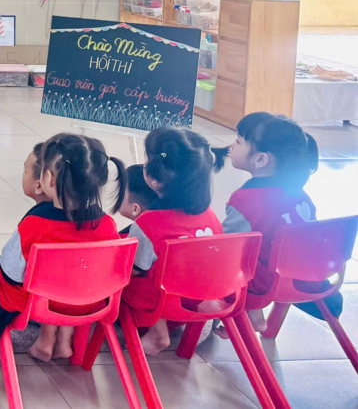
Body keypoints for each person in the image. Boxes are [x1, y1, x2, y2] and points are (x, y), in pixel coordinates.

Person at [0, 134, 125, 372]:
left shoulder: (35, 224)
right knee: (70, 275)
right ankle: (59, 342)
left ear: (48, 178)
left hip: (38, 305)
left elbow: (10, 274)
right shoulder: (108, 225)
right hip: (89, 303)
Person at [222, 112, 341, 329]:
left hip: (265, 285)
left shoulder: (245, 200)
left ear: (261, 159)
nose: (231, 146)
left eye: (238, 142)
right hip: (306, 277)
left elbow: (224, 246)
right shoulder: (301, 195)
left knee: (219, 261)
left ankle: (250, 313)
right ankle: (256, 316)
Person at [122, 128, 225, 355]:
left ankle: (158, 333)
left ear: (154, 180)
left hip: (163, 302)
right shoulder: (209, 215)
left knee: (126, 279)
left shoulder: (147, 223)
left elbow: (134, 270)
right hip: (199, 291)